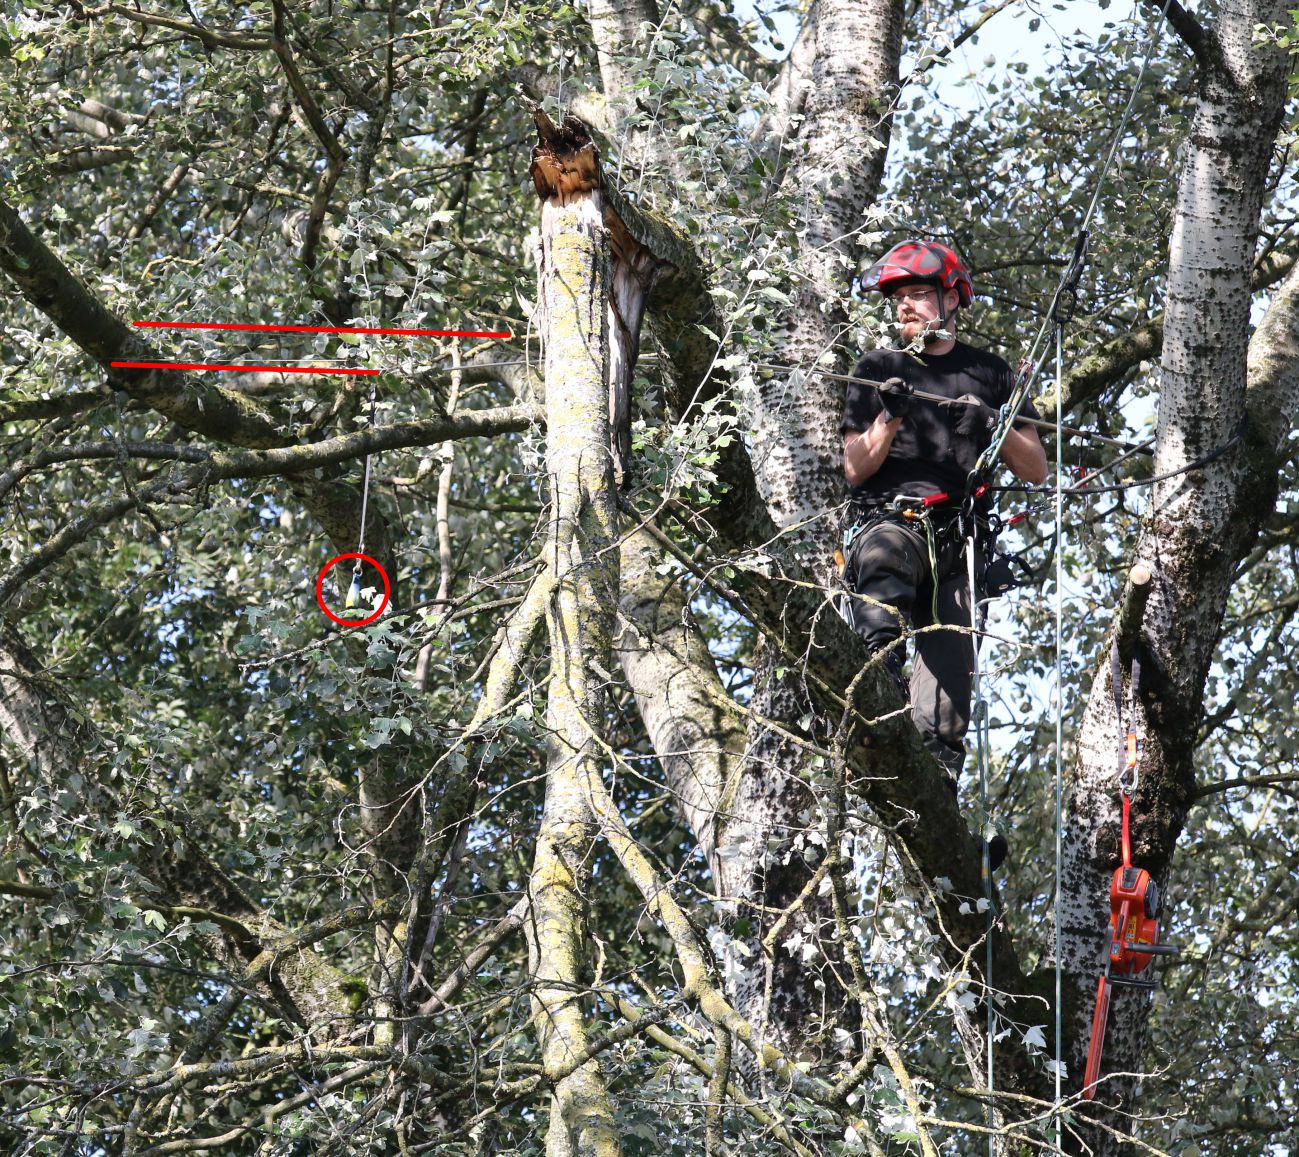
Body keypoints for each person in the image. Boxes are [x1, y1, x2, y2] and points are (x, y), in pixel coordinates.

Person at [840, 239, 1047, 797]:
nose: (905, 306)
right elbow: (855, 468)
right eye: (898, 297)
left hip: (959, 544)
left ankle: (934, 807)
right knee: (883, 598)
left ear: (951, 299)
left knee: (949, 701)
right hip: (891, 520)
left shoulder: (989, 373)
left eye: (917, 294)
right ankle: (871, 718)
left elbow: (1036, 469)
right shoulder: (878, 368)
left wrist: (994, 427)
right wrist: (890, 413)